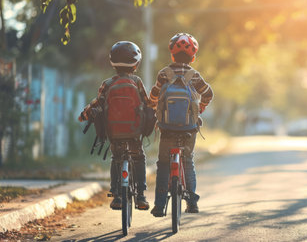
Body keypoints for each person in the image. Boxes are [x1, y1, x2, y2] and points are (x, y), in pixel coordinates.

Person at [78, 41, 150, 210]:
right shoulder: (137, 82)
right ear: (136, 64)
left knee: (116, 158)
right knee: (139, 157)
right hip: (134, 132)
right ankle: (140, 195)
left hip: (114, 132)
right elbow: (147, 104)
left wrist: (83, 115)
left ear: (113, 63)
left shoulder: (108, 83)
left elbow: (97, 104)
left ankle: (116, 195)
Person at [149, 33, 213, 216]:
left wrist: (153, 105)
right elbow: (209, 94)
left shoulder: (164, 74)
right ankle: (192, 202)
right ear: (193, 57)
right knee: (187, 160)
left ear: (172, 55)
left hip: (167, 128)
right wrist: (200, 107)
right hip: (188, 129)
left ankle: (160, 205)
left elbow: (154, 95)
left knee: (162, 165)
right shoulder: (194, 76)